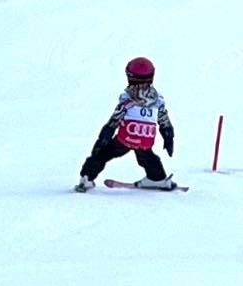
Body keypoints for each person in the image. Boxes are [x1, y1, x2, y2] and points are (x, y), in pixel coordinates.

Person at [76, 55, 178, 189]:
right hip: (146, 139)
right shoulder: (158, 101)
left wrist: (104, 137)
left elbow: (115, 119)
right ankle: (157, 177)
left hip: (126, 137)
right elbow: (164, 120)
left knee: (104, 153)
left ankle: (87, 178)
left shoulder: (127, 99)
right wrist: (168, 135)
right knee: (146, 155)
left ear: (130, 77)